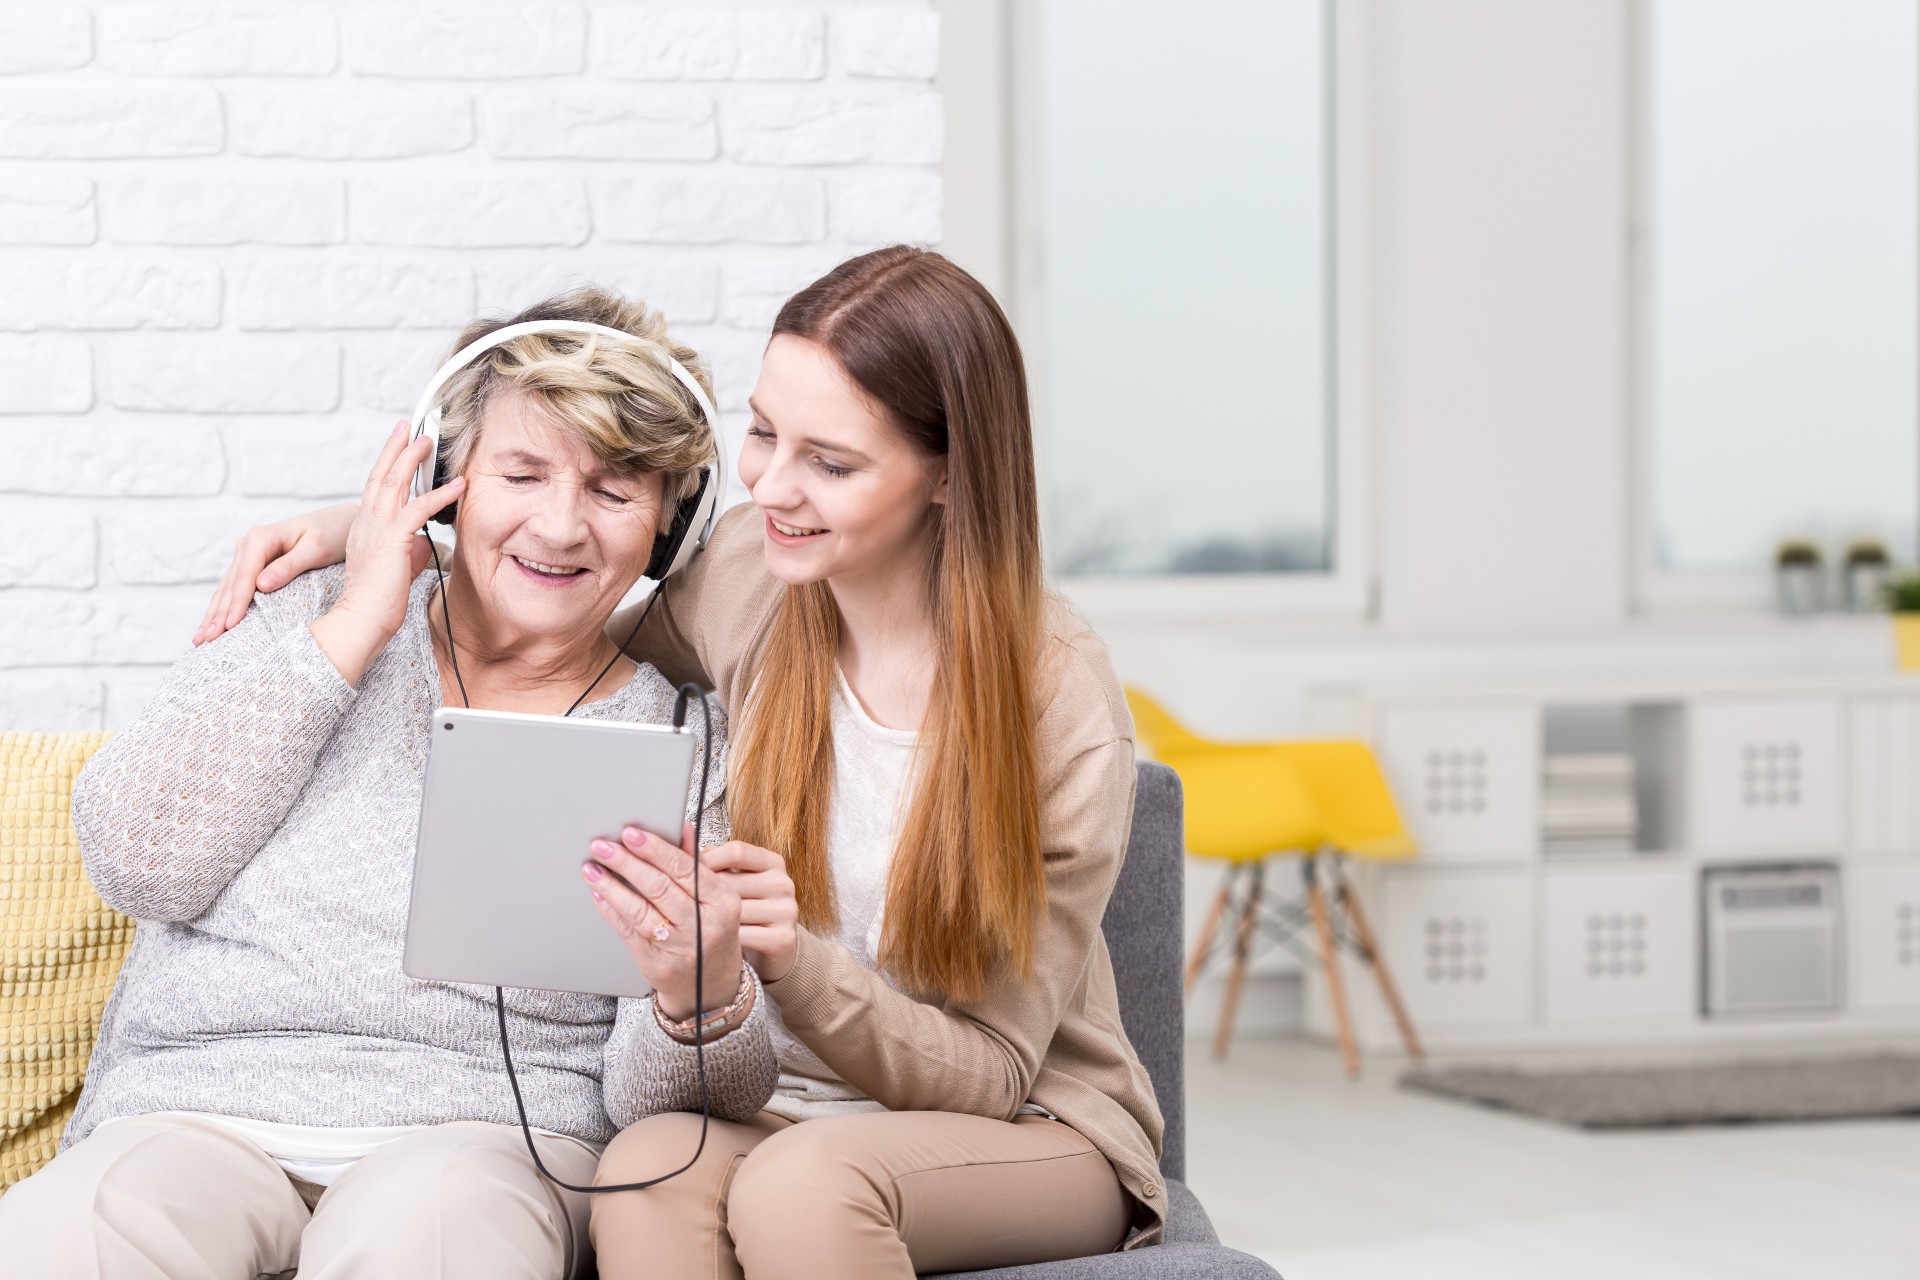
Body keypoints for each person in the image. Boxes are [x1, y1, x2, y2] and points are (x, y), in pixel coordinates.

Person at [194, 247, 1166, 1279]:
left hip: (1025, 1122)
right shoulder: (755, 580)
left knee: (809, 1183)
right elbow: (566, 573)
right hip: (795, 1103)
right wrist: (373, 532)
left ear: (950, 474)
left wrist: (794, 961)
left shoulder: (1056, 703)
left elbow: (989, 1072)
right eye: (764, 434)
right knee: (649, 1162)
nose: (774, 488)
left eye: (830, 463)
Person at [0, 287, 778, 1280]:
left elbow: (656, 1104)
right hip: (198, 1108)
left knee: (438, 1232)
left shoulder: (680, 735)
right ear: (446, 478)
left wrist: (696, 996)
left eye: (615, 490)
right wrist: (355, 625)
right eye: (523, 471)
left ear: (669, 525)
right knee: (64, 1227)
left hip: (481, 1139)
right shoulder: (302, 613)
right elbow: (134, 860)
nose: (561, 523)